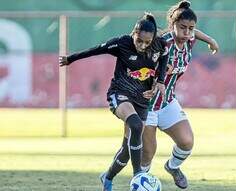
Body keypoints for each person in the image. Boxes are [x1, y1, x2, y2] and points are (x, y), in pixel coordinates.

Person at [59, 13, 168, 191]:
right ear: (134, 33)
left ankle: (107, 177)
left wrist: (161, 81)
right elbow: (96, 49)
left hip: (141, 99)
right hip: (120, 93)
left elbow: (164, 58)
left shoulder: (159, 45)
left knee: (126, 151)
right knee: (136, 125)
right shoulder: (122, 43)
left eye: (146, 43)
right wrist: (71, 58)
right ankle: (138, 175)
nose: (142, 46)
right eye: (139, 40)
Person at [141, 1, 219, 189]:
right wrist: (156, 70)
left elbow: (195, 34)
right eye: (182, 27)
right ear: (172, 26)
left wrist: (210, 40)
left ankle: (172, 167)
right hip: (147, 105)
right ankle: (140, 182)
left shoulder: (189, 39)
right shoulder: (161, 43)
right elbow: (140, 62)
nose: (187, 32)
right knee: (148, 153)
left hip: (167, 102)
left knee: (187, 142)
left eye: (190, 28)